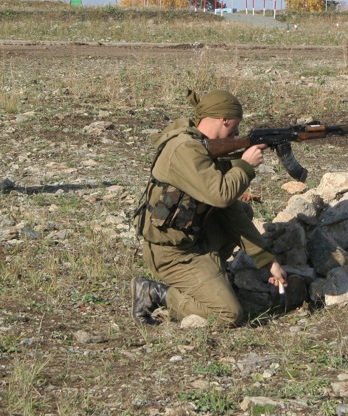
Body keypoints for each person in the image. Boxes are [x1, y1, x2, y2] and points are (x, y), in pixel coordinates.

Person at [131, 89, 306, 326]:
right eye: (235, 124)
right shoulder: (184, 149)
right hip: (172, 253)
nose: (237, 131)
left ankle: (211, 279)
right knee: (229, 314)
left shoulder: (203, 147)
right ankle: (157, 293)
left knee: (242, 211)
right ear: (224, 119)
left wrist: (267, 261)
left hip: (193, 239)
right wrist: (245, 166)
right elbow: (221, 195)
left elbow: (231, 212)